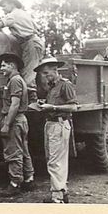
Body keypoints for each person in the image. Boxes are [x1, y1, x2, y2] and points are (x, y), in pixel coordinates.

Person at [34, 55, 78, 203]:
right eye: (43, 74)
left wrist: (52, 107)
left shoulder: (65, 85)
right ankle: (62, 192)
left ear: (55, 70)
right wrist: (43, 104)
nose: (45, 77)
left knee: (55, 161)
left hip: (59, 124)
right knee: (54, 159)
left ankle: (57, 196)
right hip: (51, 124)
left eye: (47, 73)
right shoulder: (52, 86)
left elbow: (73, 106)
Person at [0, 52, 35, 197]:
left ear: (12, 66)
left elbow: (14, 104)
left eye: (4, 65)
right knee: (24, 151)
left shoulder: (14, 81)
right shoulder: (17, 79)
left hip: (14, 120)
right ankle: (29, 179)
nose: (1, 68)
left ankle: (15, 183)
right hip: (20, 119)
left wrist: (6, 124)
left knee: (13, 152)